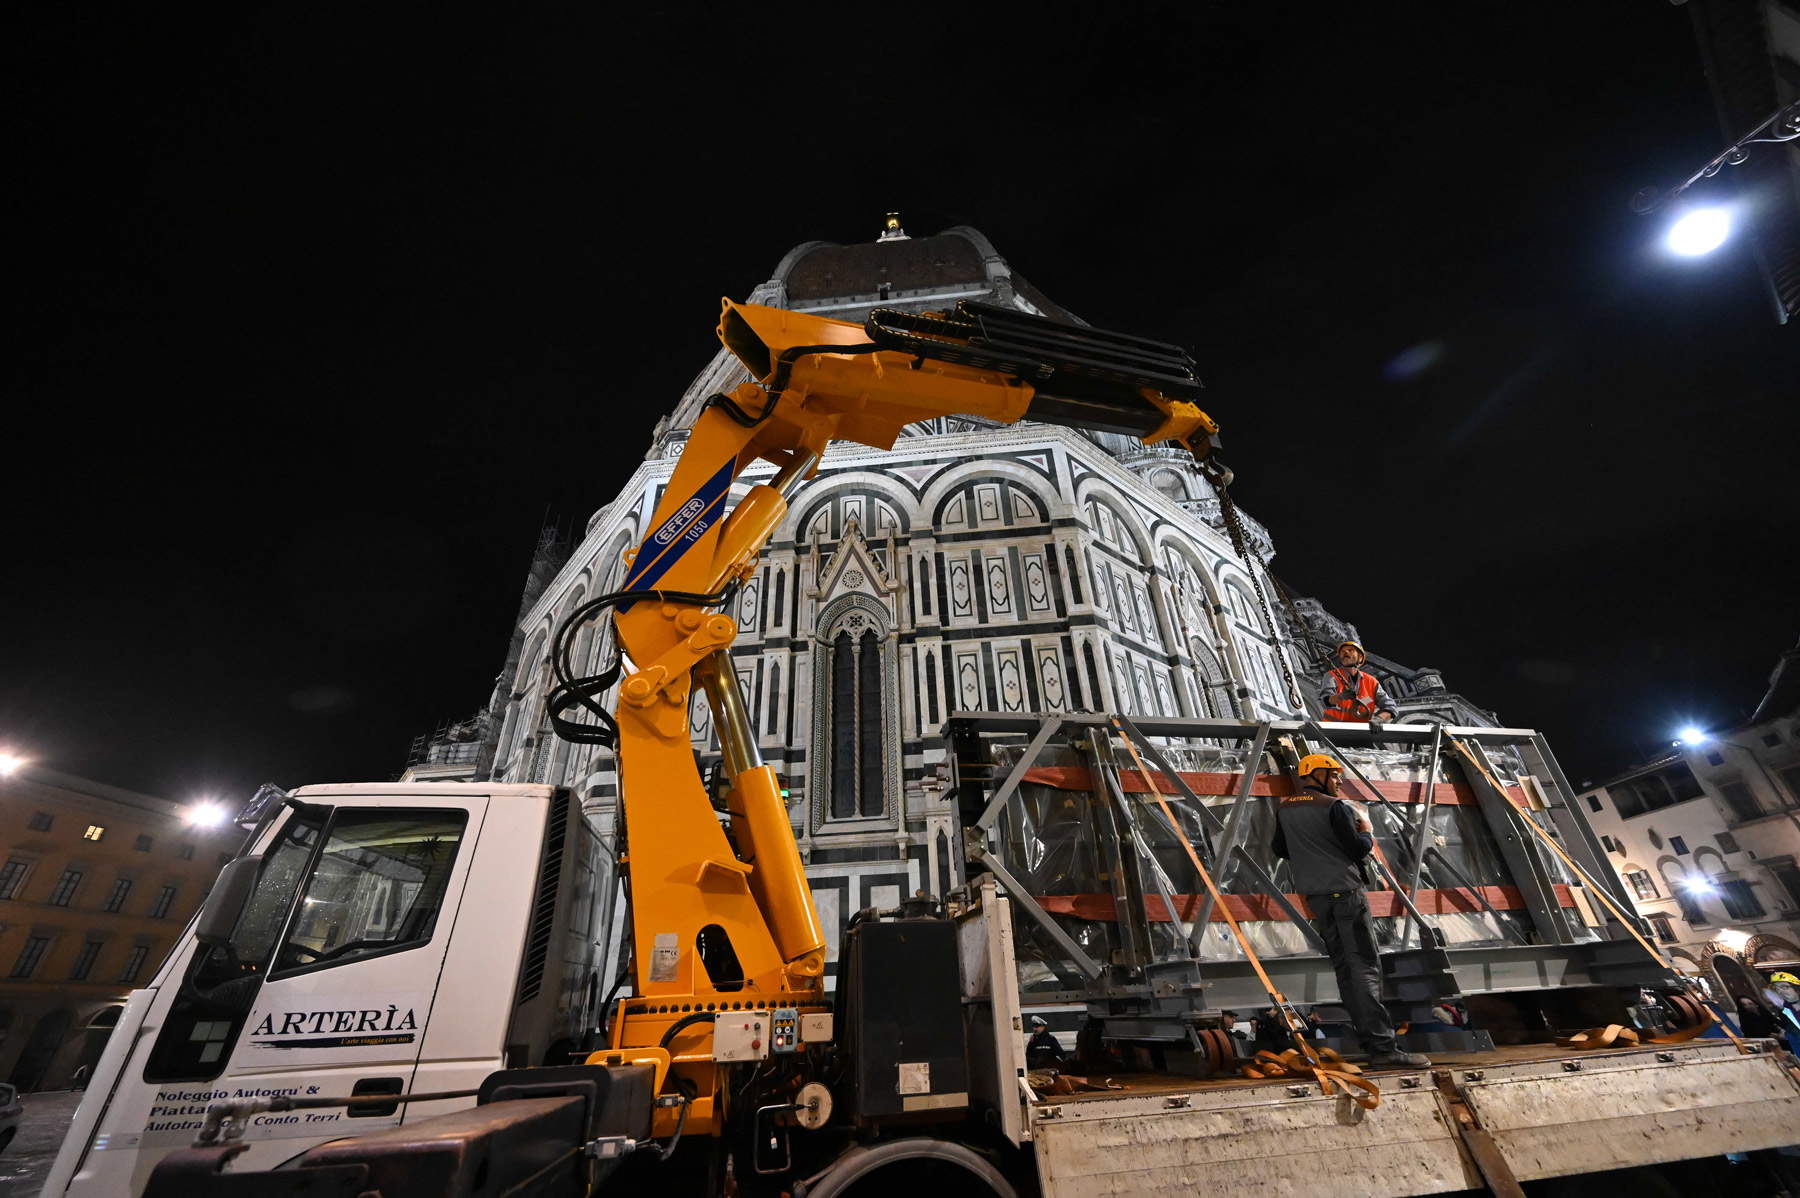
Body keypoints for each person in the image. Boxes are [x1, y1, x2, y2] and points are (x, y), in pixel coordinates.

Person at [1273, 752, 1429, 1068]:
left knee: (1345, 969)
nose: (1339, 781)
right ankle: (1383, 1048)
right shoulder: (1334, 807)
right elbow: (1357, 848)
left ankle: (1372, 1042)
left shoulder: (1286, 808)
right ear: (1317, 774)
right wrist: (1367, 831)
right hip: (1347, 895)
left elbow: (1280, 849)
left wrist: (1313, 852)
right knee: (1364, 968)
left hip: (1317, 899)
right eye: (1334, 775)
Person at [1320, 640, 1399, 724]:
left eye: (1350, 650)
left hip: (1362, 729)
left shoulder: (1371, 681)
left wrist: (1379, 719)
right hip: (1334, 728)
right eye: (1342, 651)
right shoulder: (1331, 676)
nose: (1345, 652)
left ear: (1360, 657)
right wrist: (1340, 697)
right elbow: (1325, 701)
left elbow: (1390, 706)